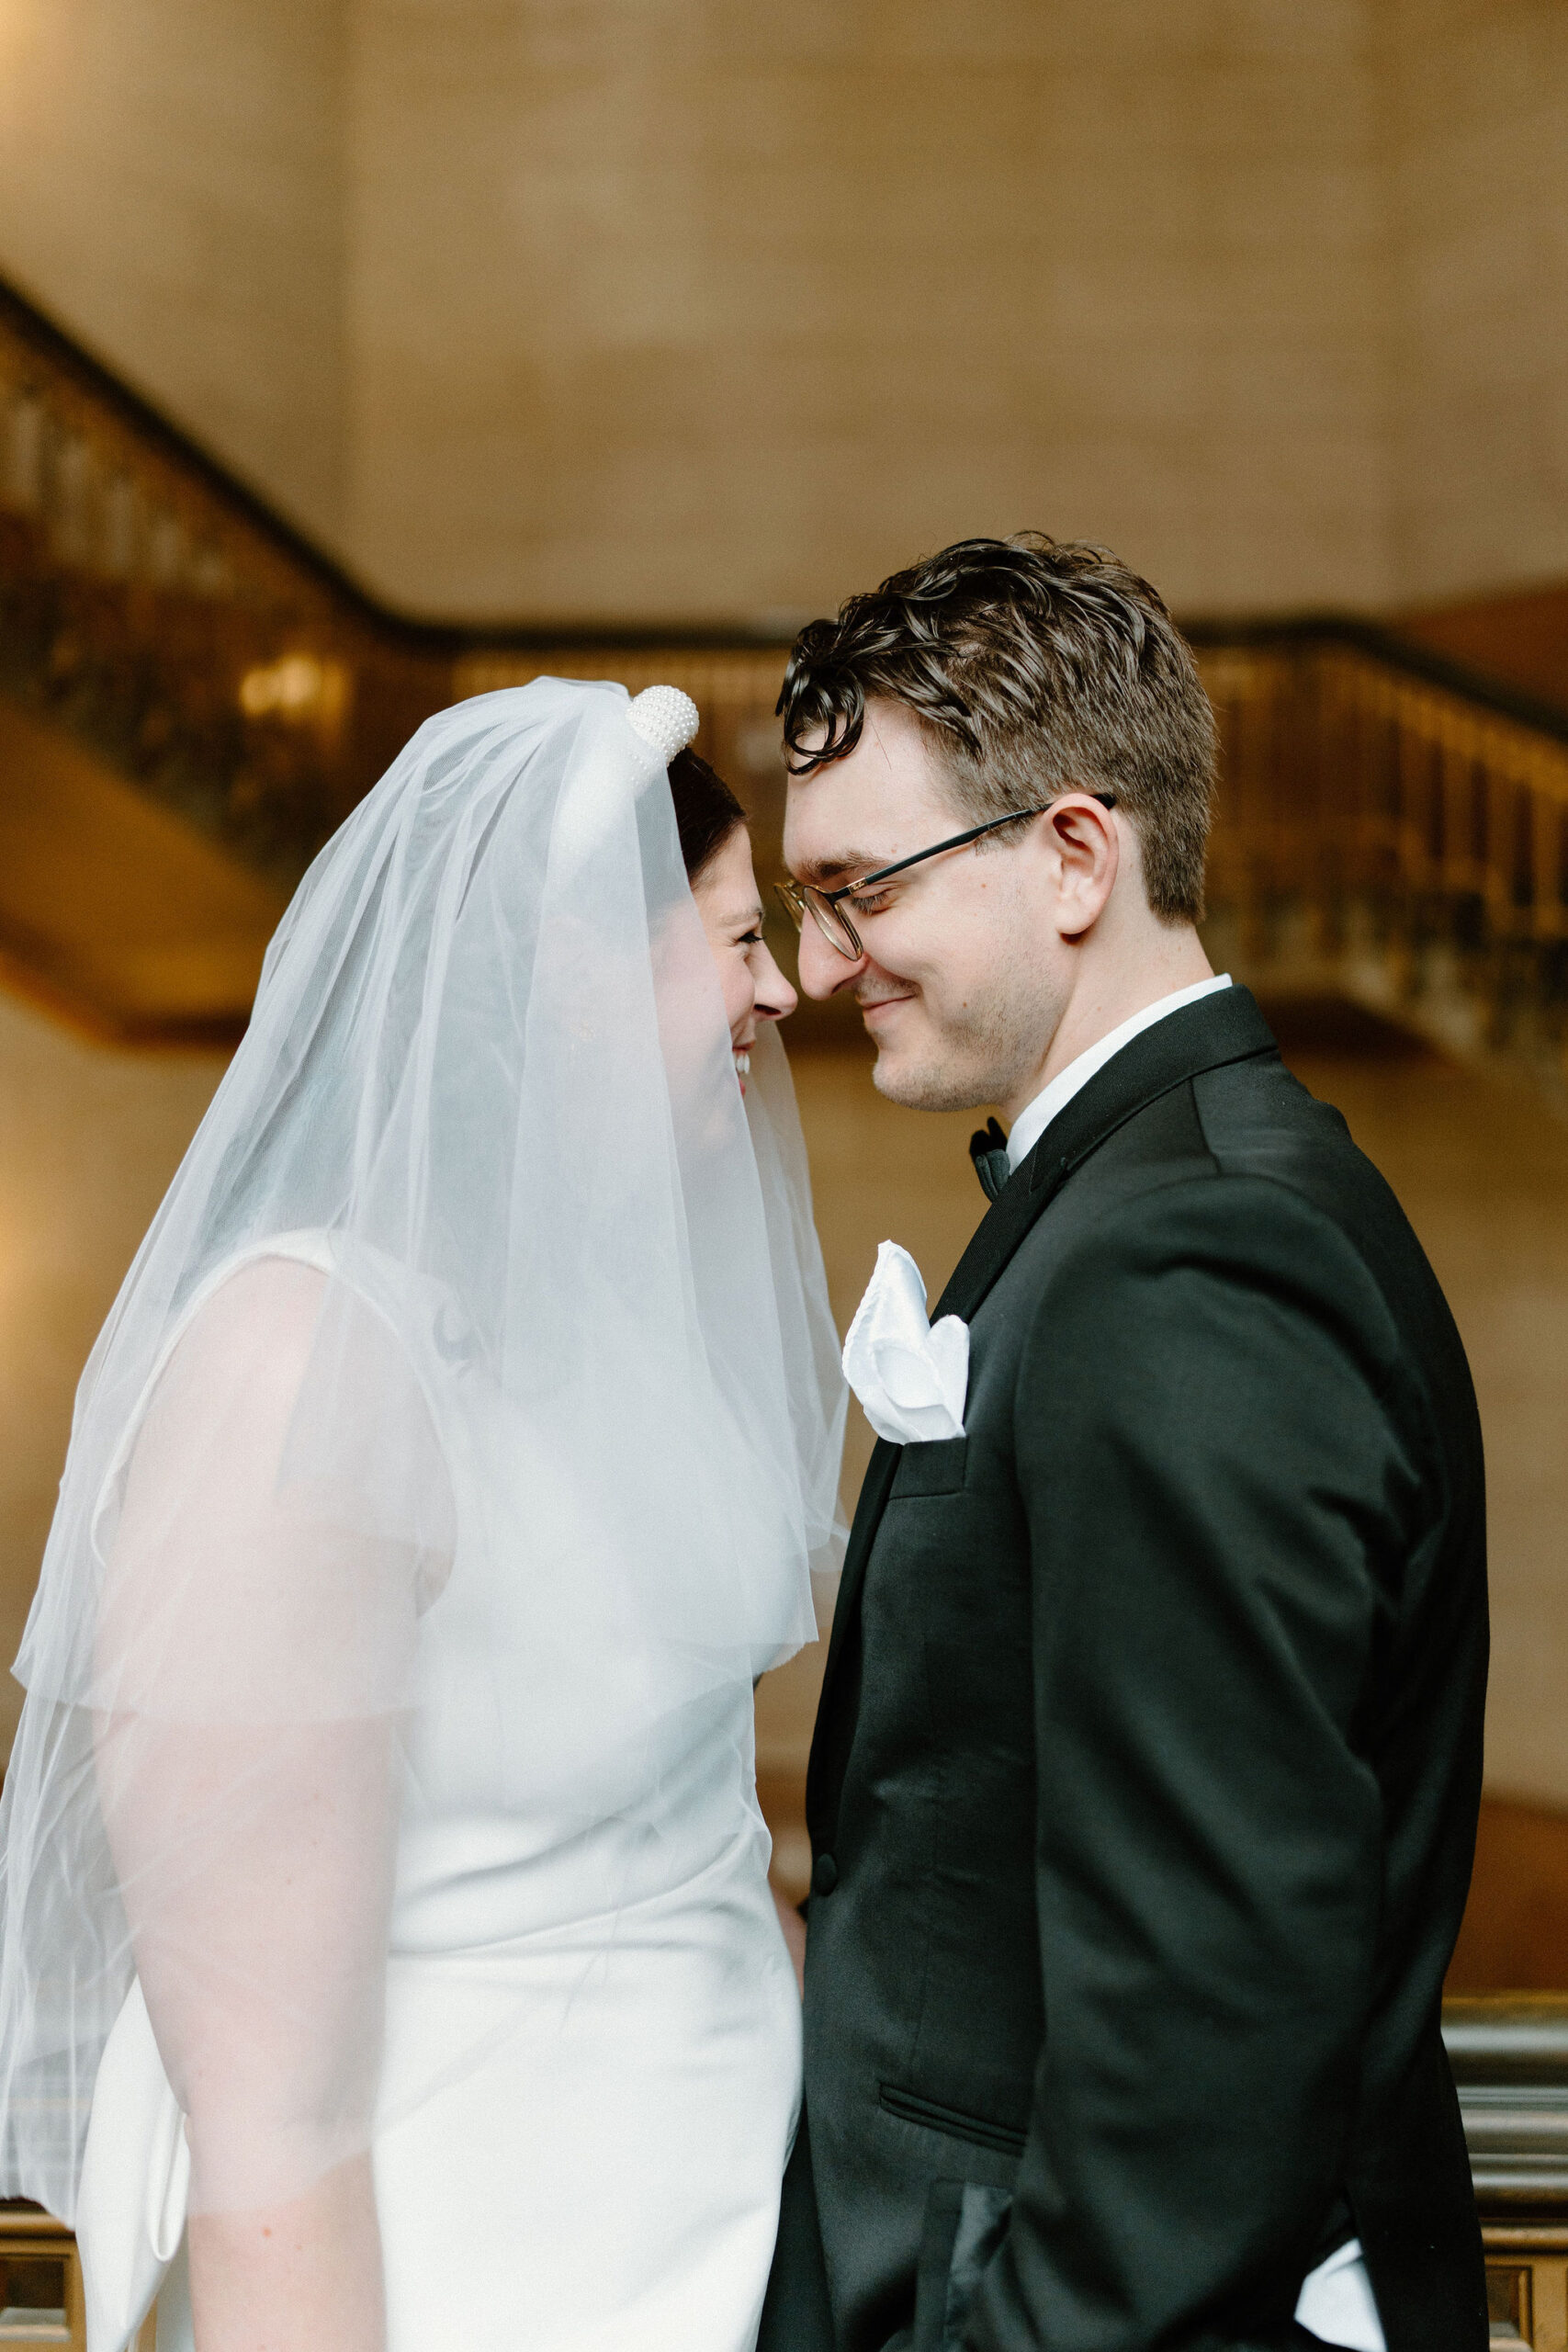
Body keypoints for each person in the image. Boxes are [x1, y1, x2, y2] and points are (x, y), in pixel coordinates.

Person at [0, 678, 846, 2352]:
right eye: (737, 939)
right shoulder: (299, 1363)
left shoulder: (611, 1346)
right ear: (569, 972)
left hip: (712, 2279)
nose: (785, 986)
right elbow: (271, 2115)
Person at [761, 536, 1489, 2352]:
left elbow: (1205, 1996)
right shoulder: (1140, 1199)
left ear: (1073, 855)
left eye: (859, 887)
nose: (817, 957)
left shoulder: (1188, 1258)